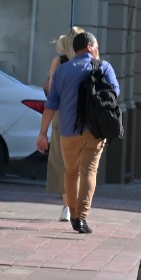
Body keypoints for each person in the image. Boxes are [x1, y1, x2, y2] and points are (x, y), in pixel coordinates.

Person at [37, 31, 120, 234]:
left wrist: (42, 133)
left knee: (71, 173)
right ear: (91, 47)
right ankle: (82, 217)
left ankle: (72, 213)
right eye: (97, 46)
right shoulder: (104, 67)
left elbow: (51, 104)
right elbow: (115, 93)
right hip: (95, 130)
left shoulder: (63, 71)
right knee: (89, 171)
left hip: (68, 131)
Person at [43, 27, 82, 223]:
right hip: (85, 117)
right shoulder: (89, 61)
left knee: (62, 160)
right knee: (81, 162)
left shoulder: (59, 62)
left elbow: (51, 91)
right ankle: (77, 205)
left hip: (62, 116)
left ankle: (67, 207)